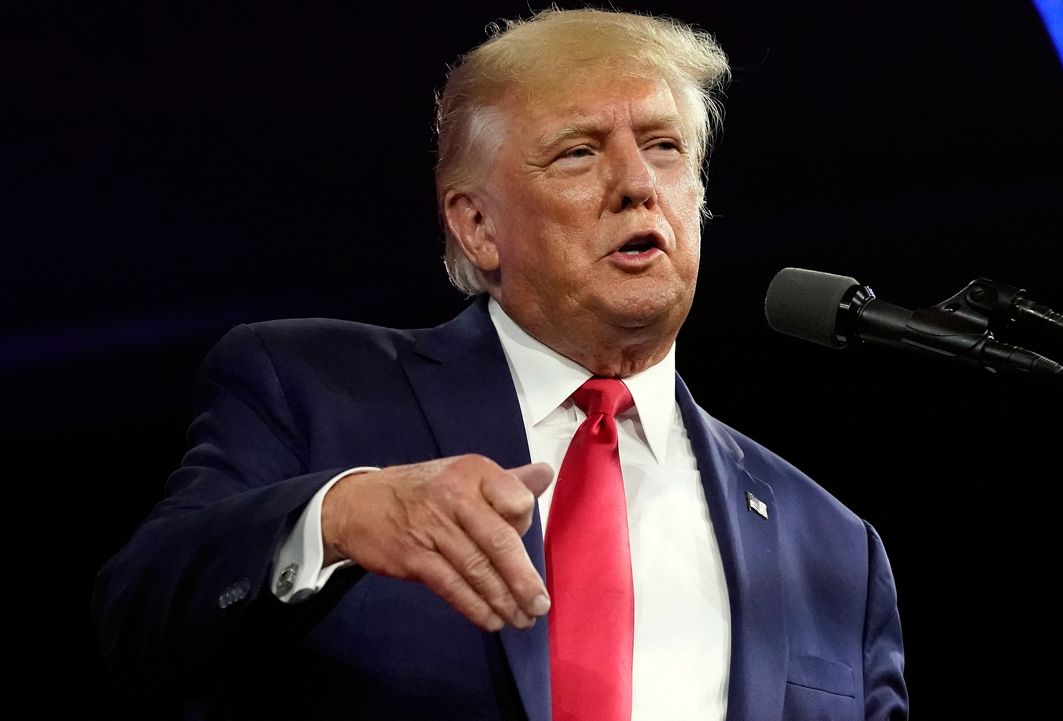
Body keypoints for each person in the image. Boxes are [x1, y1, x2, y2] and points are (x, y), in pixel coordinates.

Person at [93, 8, 908, 721]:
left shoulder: (832, 545)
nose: (636, 184)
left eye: (663, 147)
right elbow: (135, 617)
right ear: (478, 226)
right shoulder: (310, 388)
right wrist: (337, 518)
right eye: (578, 154)